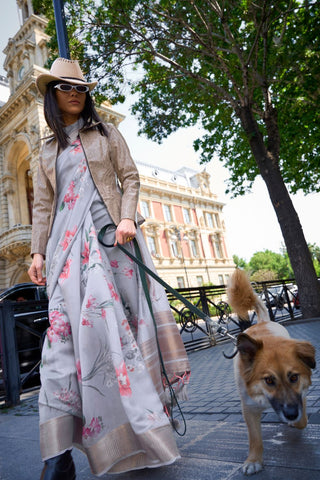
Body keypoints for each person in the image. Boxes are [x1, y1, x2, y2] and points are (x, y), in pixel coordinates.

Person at [28, 57, 190, 480]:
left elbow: (130, 177)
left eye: (81, 88)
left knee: (126, 335)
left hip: (112, 241)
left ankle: (146, 428)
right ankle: (57, 455)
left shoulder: (106, 133)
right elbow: (43, 206)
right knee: (60, 344)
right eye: (66, 88)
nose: (76, 94)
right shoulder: (44, 151)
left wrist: (128, 217)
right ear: (52, 94)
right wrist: (37, 253)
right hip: (66, 252)